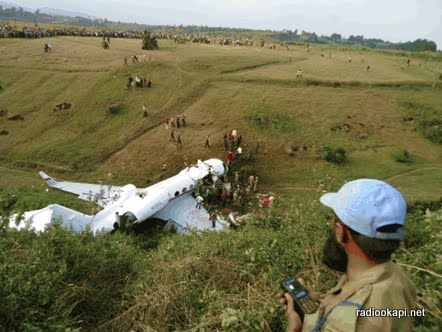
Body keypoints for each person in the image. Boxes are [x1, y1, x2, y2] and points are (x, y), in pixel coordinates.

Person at [280, 179, 416, 332]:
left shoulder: (349, 321)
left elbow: (351, 319)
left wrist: (295, 328)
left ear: (341, 232)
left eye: (333, 221)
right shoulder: (395, 276)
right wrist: (320, 304)